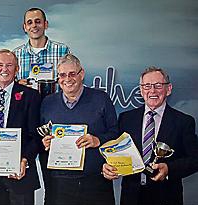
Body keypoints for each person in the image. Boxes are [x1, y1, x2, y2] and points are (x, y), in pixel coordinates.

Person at [102, 66, 198, 205]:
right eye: (147, 86)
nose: (152, 91)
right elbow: (115, 151)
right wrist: (107, 166)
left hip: (166, 196)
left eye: (158, 85)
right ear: (141, 90)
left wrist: (169, 169)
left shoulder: (183, 121)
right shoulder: (125, 118)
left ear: (168, 89)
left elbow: (195, 159)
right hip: (131, 197)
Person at [41, 54, 118, 205]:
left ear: (81, 74)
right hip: (59, 185)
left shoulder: (101, 99)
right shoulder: (48, 103)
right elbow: (42, 136)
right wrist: (45, 142)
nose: (67, 79)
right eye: (62, 75)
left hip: (95, 181)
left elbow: (115, 133)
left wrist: (97, 140)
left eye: (72, 74)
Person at [0, 49, 42, 205]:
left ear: (16, 69)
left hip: (19, 174)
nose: (4, 69)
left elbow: (35, 135)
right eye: (0, 65)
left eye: (9, 65)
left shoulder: (31, 96)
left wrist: (24, 159)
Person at [13, 7, 70, 82]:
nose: (34, 26)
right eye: (30, 22)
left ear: (45, 24)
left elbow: (70, 79)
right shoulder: (16, 54)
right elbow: (9, 84)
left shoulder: (63, 51)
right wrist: (18, 85)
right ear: (25, 27)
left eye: (38, 21)